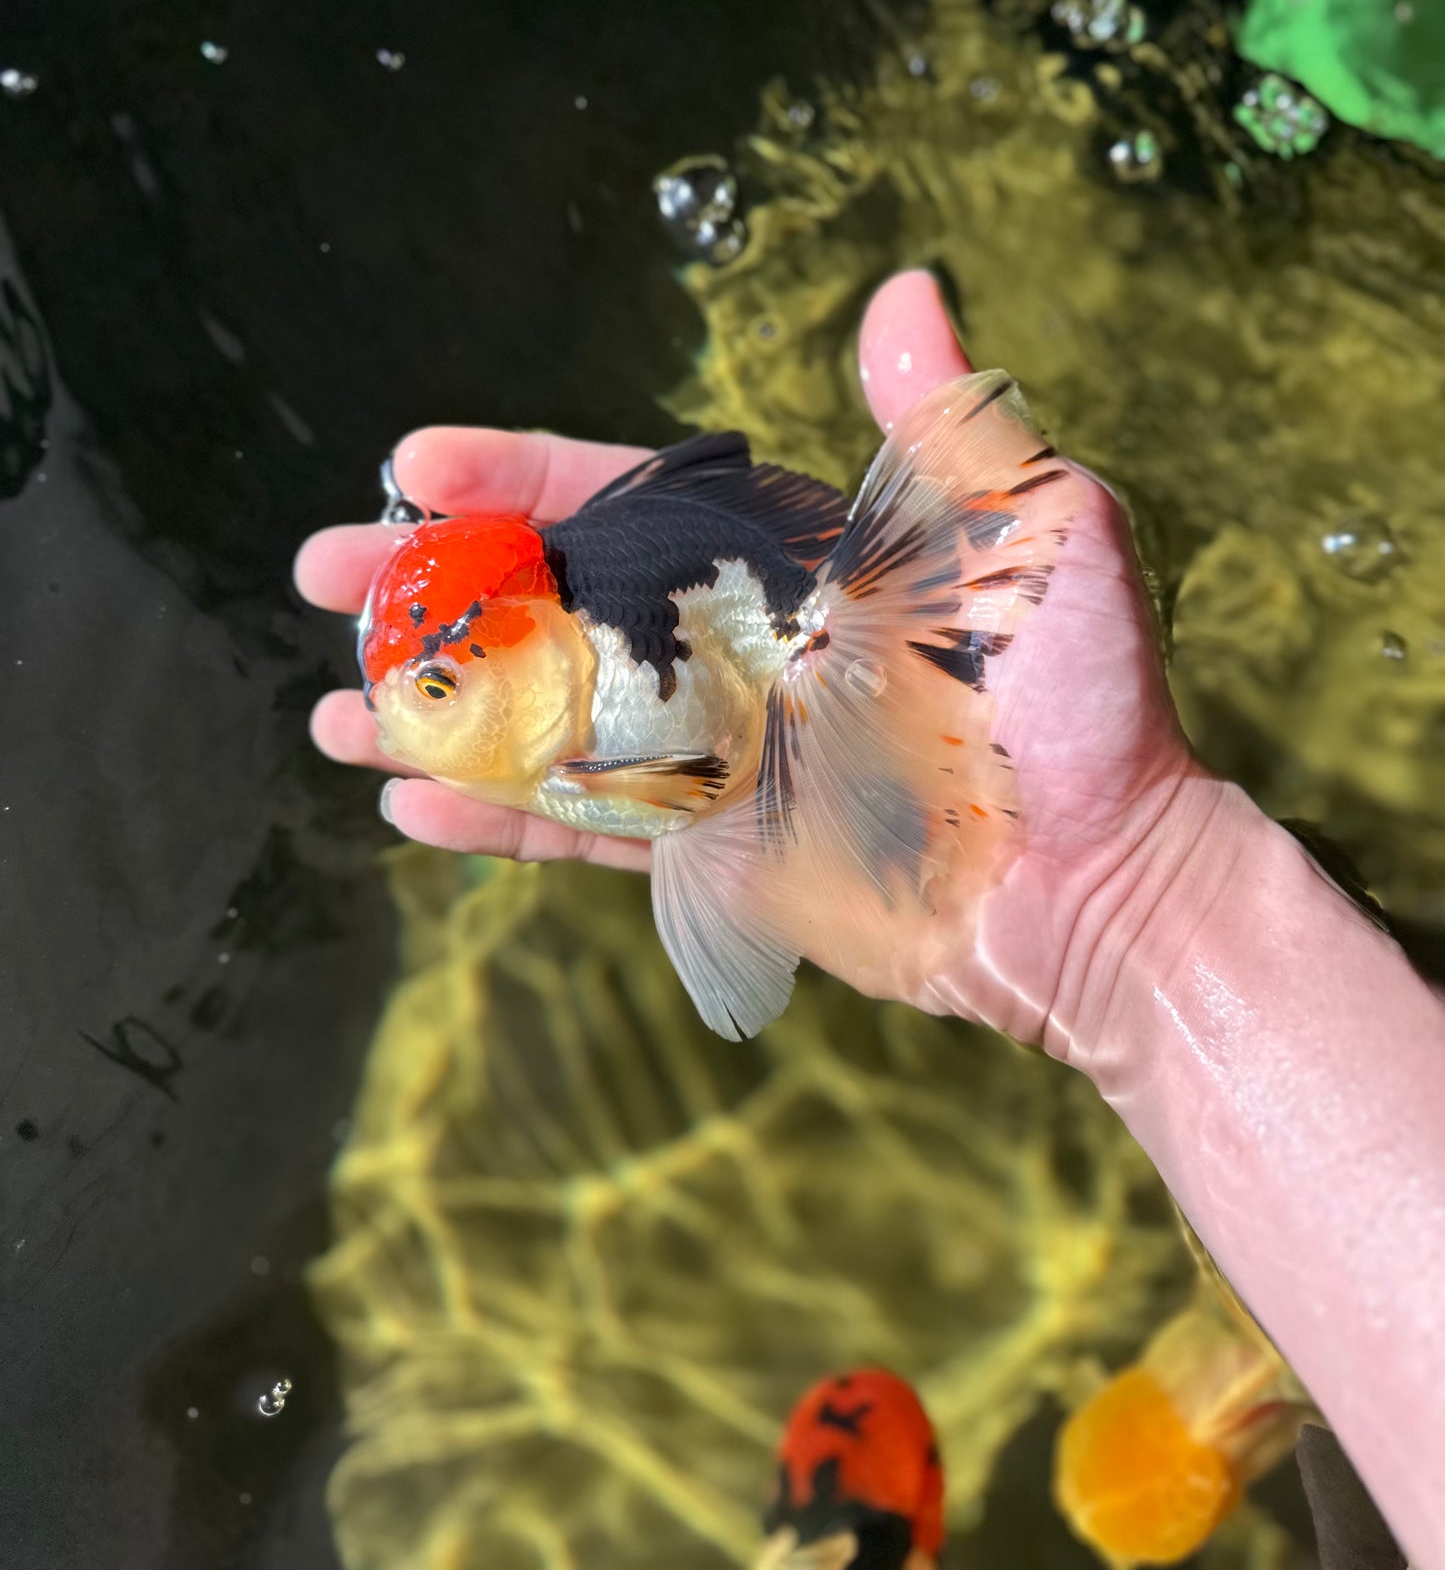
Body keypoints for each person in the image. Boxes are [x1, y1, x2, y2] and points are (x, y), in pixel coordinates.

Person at [297, 270, 1445, 1569]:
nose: (408, 727)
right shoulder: (572, 736)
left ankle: (858, 1544)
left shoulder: (625, 710)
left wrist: (1121, 880)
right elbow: (694, 802)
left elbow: (689, 799)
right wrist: (1142, 894)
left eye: (441, 685)